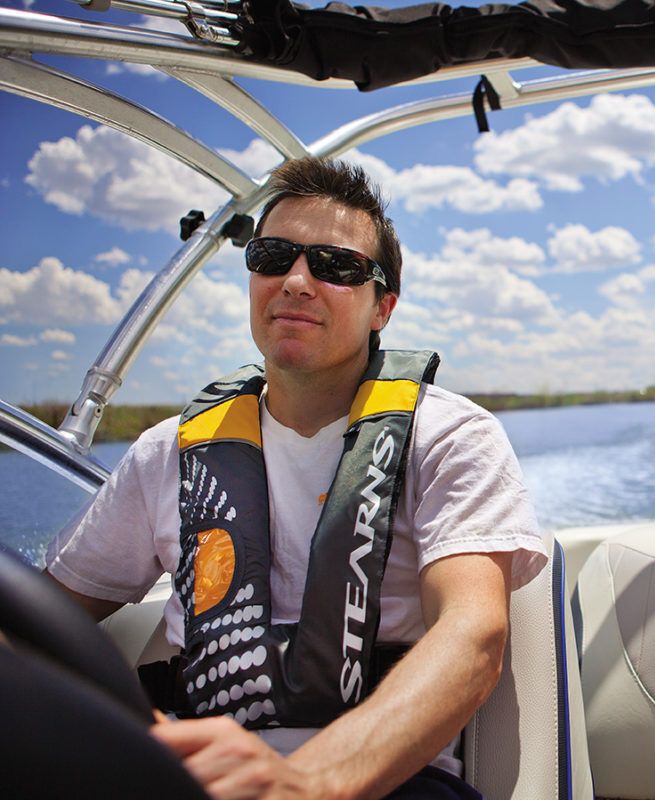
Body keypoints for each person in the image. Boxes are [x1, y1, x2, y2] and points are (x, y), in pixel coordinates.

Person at [44, 157, 547, 800]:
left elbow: (474, 635)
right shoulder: (164, 454)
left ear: (381, 307)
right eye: (274, 256)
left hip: (391, 784)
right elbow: (44, 616)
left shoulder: (450, 438)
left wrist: (307, 781)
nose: (297, 282)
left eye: (335, 266)